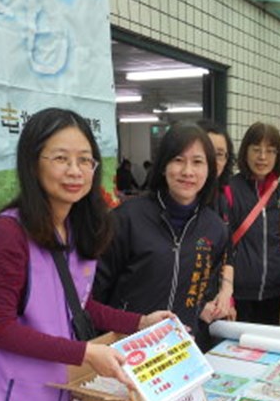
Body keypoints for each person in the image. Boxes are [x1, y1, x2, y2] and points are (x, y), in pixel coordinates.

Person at [0, 108, 171, 401]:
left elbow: (76, 305)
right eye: (61, 158)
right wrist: (86, 351)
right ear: (32, 163)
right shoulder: (5, 235)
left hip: (57, 390)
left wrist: (140, 322)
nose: (76, 171)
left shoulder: (74, 228)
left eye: (85, 160)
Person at [92, 122, 231, 349]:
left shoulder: (215, 229)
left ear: (210, 169)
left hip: (179, 350)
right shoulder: (126, 219)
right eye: (178, 160)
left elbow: (201, 292)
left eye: (197, 162)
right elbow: (95, 293)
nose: (187, 171)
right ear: (163, 165)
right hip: (124, 346)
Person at [226, 122, 280, 325]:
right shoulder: (230, 190)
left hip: (273, 293)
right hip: (238, 294)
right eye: (256, 149)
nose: (262, 157)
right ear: (245, 152)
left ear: (278, 155)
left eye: (270, 151)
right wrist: (226, 297)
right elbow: (221, 249)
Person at [197, 118, 237, 322]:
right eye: (207, 151)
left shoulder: (221, 198)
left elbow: (226, 253)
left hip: (213, 309)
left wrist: (226, 295)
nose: (213, 160)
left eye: (220, 154)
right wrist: (196, 307)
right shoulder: (182, 201)